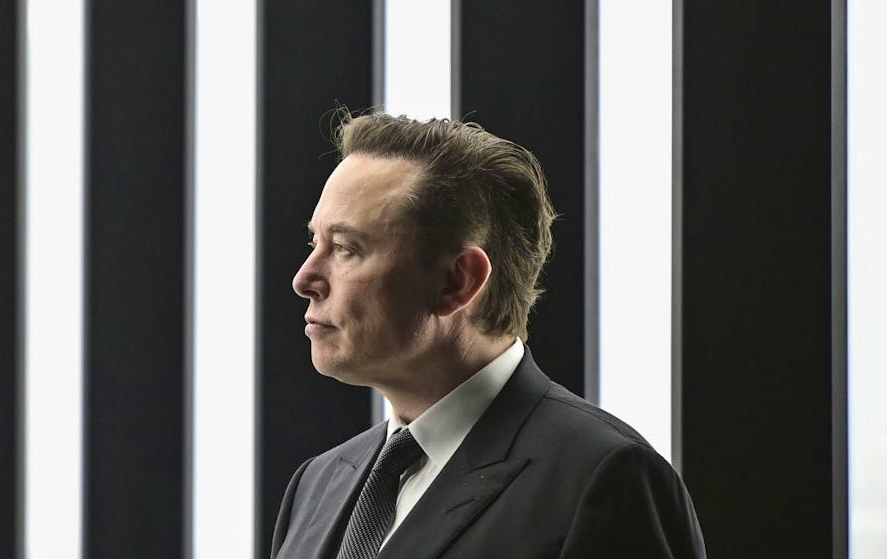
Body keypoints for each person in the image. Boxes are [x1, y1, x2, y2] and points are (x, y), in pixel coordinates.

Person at [271, 112, 706, 558]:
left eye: (345, 248)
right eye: (314, 243)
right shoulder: (316, 485)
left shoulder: (604, 478)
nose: (304, 279)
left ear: (458, 281)